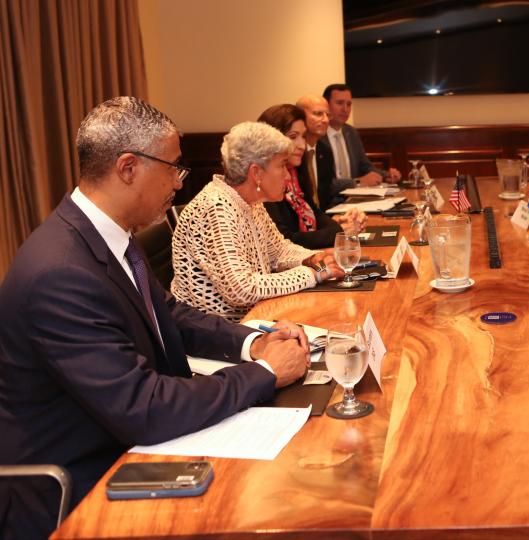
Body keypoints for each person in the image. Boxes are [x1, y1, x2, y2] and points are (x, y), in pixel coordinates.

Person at [0, 97, 311, 537]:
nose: (180, 183)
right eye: (173, 167)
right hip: (82, 483)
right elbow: (142, 407)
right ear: (128, 168)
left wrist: (253, 343)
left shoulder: (107, 237)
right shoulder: (60, 273)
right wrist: (263, 373)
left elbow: (169, 314)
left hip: (132, 440)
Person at [171, 121, 343, 322]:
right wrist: (312, 274)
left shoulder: (251, 202)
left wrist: (313, 258)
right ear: (256, 173)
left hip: (256, 317)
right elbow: (242, 289)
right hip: (218, 332)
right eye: (281, 166)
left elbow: (278, 251)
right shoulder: (216, 207)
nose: (287, 176)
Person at [257, 104, 366, 248]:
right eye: (293, 137)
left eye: (303, 136)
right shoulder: (263, 179)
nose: (302, 145)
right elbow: (284, 240)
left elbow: (315, 213)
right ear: (272, 140)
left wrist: (342, 224)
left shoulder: (296, 170)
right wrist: (339, 232)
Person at [322, 83, 401, 186]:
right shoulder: (318, 136)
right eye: (340, 103)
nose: (345, 109)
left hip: (355, 196)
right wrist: (357, 182)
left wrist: (387, 176)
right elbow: (322, 184)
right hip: (331, 199)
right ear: (326, 106)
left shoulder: (351, 132)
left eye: (349, 104)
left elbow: (365, 166)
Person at [296, 94, 349, 208]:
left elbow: (326, 199)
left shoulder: (324, 151)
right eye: (318, 114)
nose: (325, 120)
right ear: (300, 117)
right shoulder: (293, 153)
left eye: (328, 115)